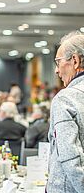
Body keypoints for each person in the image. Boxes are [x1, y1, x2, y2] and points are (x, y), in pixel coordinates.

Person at [47, 31, 84, 193]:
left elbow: (70, 158)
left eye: (58, 62)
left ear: (75, 60)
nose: (56, 70)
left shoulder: (66, 98)